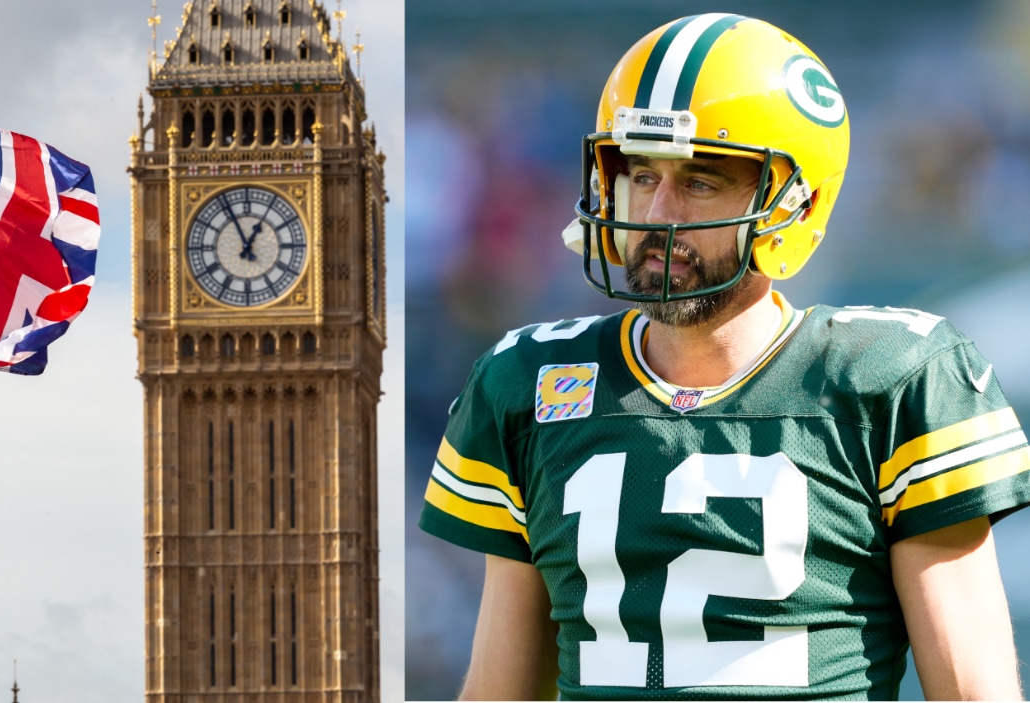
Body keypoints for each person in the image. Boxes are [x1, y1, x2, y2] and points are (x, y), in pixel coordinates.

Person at [418, 13, 1030, 701]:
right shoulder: (528, 381)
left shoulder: (894, 379)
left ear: (793, 206)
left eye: (700, 182)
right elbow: (502, 689)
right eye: (640, 175)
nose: (658, 212)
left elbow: (973, 690)